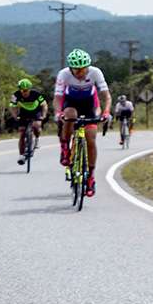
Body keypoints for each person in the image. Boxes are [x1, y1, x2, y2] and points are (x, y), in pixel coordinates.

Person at [54, 48, 112, 197]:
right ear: (71, 68)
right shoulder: (64, 74)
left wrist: (105, 112)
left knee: (91, 138)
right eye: (77, 70)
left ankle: (91, 177)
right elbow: (58, 98)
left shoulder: (95, 72)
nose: (80, 72)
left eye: (83, 69)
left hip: (89, 104)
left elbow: (106, 96)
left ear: (88, 66)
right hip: (71, 102)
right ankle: (65, 147)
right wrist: (58, 112)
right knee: (70, 115)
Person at [9, 78, 47, 165]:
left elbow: (44, 105)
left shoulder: (36, 94)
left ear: (29, 89)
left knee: (36, 125)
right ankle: (21, 155)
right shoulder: (16, 95)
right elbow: (12, 106)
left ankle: (36, 139)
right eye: (21, 90)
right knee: (22, 132)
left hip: (35, 112)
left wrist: (43, 115)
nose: (24, 92)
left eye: (26, 90)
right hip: (24, 112)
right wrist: (15, 116)